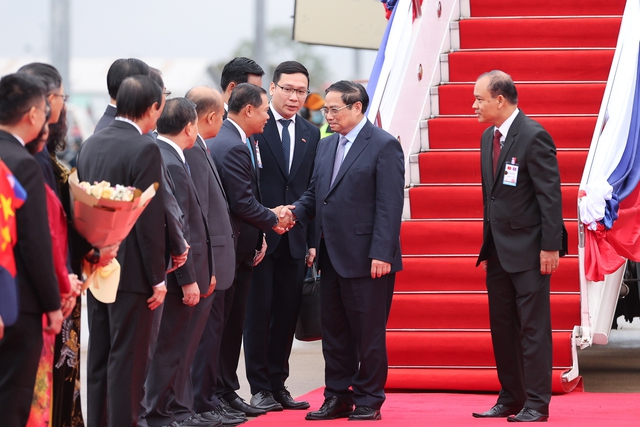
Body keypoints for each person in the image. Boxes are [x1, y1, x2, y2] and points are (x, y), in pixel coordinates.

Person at [291, 80, 404, 421]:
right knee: (335, 333)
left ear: (357, 107)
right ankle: (337, 396)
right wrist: (290, 213)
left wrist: (382, 253)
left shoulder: (383, 145)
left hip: (369, 258)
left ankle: (369, 398)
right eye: (325, 109)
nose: (328, 115)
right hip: (331, 255)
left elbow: (389, 204)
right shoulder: (326, 147)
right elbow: (315, 195)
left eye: (334, 109)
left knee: (368, 334)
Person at [471, 70, 566, 423]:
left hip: (529, 251)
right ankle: (511, 397)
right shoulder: (487, 137)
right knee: (503, 328)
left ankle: (537, 404)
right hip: (497, 250)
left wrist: (550, 246)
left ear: (500, 99)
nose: (474, 105)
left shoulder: (534, 136)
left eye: (479, 99)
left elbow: (549, 197)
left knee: (533, 330)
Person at [76, 75, 167, 427]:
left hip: (98, 266)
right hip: (131, 272)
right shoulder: (145, 148)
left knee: (99, 355)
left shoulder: (92, 142)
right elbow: (148, 219)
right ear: (151, 107)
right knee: (127, 362)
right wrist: (157, 277)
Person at [205, 82, 294, 417]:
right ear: (248, 110)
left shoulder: (241, 140)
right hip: (230, 250)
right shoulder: (233, 144)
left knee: (230, 328)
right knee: (222, 328)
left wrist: (261, 233)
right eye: (265, 109)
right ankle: (215, 395)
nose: (269, 116)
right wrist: (274, 218)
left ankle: (226, 391)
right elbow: (241, 201)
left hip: (242, 248)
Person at [243, 61, 320, 412]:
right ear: (272, 88)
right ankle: (258, 387)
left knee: (287, 314)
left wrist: (312, 240)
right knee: (258, 314)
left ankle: (279, 384)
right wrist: (262, 224)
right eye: (287, 88)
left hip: (295, 238)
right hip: (260, 238)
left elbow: (313, 189)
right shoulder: (256, 126)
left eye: (300, 90)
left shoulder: (311, 131)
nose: (293, 96)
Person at [144, 97, 217, 427]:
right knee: (171, 349)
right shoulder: (170, 161)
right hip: (178, 275)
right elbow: (179, 226)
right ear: (190, 127)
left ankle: (170, 411)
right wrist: (189, 278)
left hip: (181, 270)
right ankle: (162, 414)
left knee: (174, 348)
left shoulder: (166, 154)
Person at [0, 72, 63, 427]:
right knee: (12, 399)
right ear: (33, 115)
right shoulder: (22, 164)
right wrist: (52, 304)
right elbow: (36, 242)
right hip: (16, 301)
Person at [184, 86, 245, 426]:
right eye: (222, 114)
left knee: (211, 336)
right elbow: (198, 214)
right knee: (203, 339)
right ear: (209, 117)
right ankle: (201, 403)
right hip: (205, 263)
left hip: (216, 259)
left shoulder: (202, 146)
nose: (224, 120)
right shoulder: (192, 150)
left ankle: (206, 401)